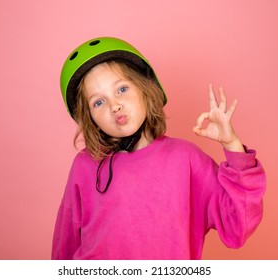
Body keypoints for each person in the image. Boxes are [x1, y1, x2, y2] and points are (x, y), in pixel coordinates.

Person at [52, 37, 266, 260]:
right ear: (89, 118)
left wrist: (232, 145)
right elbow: (64, 244)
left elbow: (237, 226)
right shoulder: (85, 165)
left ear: (145, 88)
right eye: (98, 102)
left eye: (122, 89)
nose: (114, 105)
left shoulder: (186, 158)